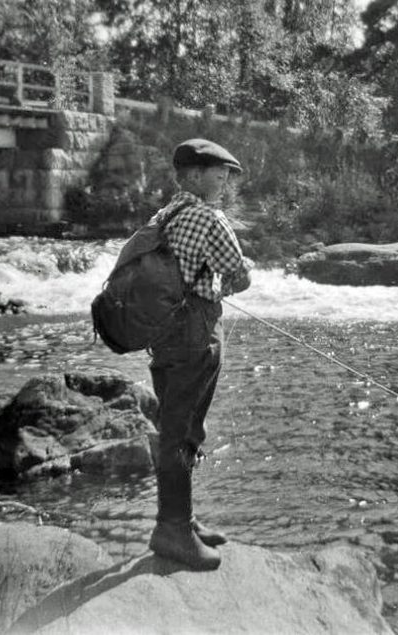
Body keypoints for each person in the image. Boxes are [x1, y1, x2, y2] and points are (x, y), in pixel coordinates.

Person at [147, 138, 252, 571]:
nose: (225, 180)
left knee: (179, 425)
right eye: (218, 173)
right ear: (193, 175)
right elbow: (240, 275)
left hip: (163, 335)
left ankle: (183, 520)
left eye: (227, 174)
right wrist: (225, 283)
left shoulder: (163, 215)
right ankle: (171, 529)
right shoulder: (210, 219)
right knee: (182, 431)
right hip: (195, 333)